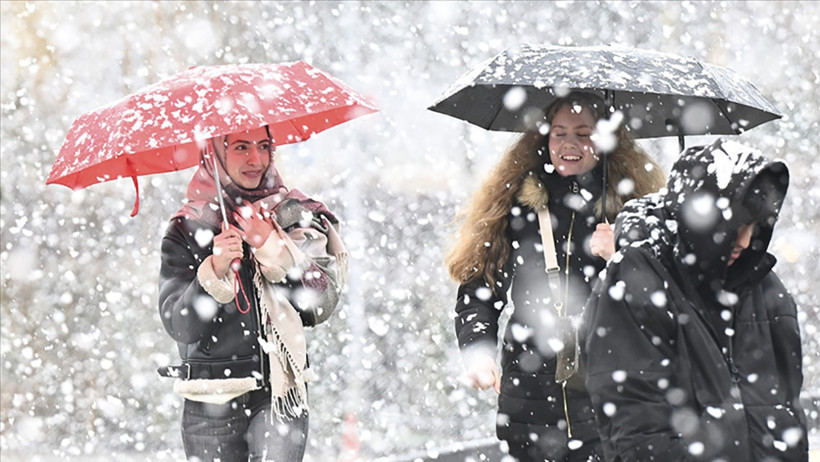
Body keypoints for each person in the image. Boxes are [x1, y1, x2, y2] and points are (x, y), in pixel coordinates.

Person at [446, 91, 666, 461]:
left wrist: (623, 256)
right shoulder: (515, 204)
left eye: (584, 134)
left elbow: (663, 305)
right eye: (559, 132)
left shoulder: (636, 214)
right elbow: (480, 287)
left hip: (610, 398)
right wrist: (478, 352)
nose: (569, 144)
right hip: (529, 402)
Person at [583, 139, 808, 461]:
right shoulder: (637, 278)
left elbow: (787, 409)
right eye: (736, 224)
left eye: (754, 225)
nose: (745, 241)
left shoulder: (766, 286)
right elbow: (636, 427)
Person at [157, 125, 346, 461]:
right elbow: (181, 325)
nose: (255, 159)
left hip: (279, 397)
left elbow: (321, 303)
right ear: (214, 153)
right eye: (241, 147)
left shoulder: (295, 214)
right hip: (210, 403)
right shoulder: (188, 227)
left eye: (263, 145)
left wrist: (271, 246)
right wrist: (214, 272)